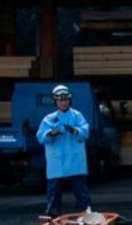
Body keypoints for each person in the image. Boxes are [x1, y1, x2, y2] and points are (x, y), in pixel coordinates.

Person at [36, 84, 92, 216]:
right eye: (61, 100)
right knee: (54, 193)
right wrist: (52, 133)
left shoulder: (77, 116)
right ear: (56, 101)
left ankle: (85, 214)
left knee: (81, 192)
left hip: (75, 162)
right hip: (57, 163)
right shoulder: (49, 119)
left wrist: (73, 130)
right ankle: (52, 216)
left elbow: (85, 132)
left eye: (66, 100)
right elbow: (41, 137)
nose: (64, 103)